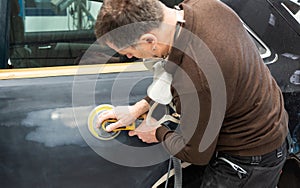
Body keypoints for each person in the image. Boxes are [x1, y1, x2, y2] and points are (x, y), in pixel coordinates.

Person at [94, 0, 289, 187]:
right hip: (271, 126)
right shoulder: (202, 5)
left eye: (127, 51)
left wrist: (156, 132)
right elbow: (174, 62)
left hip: (248, 158)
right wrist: (140, 107)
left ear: (149, 40)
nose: (128, 57)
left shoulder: (196, 79)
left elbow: (196, 153)